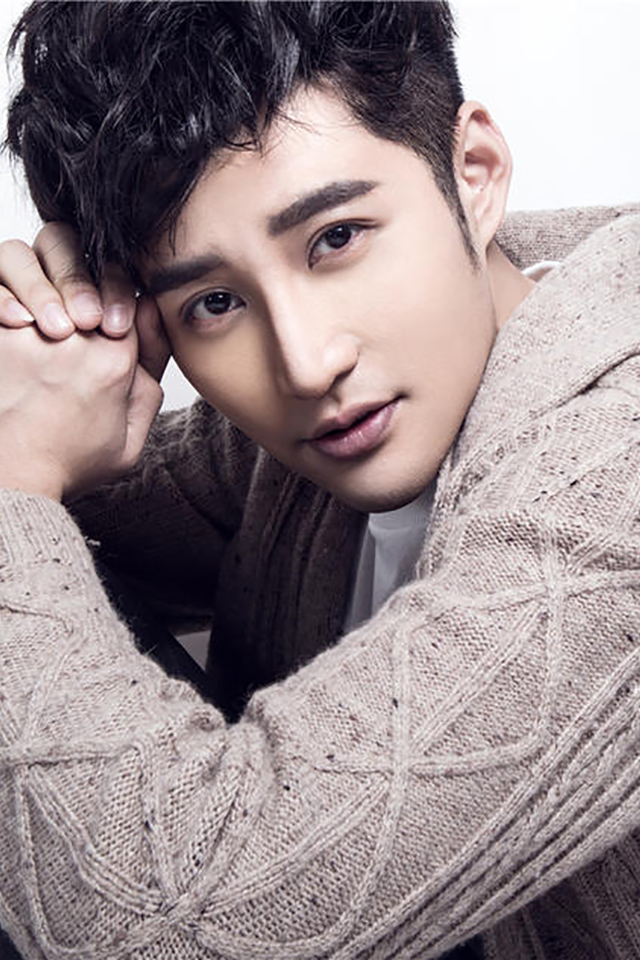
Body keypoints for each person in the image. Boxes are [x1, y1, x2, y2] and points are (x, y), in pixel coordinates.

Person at [0, 2, 638, 958]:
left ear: (474, 174)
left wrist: (16, 476)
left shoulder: (613, 483)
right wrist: (45, 363)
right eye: (215, 301)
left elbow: (171, 926)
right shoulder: (298, 443)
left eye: (336, 239)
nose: (304, 365)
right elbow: (67, 523)